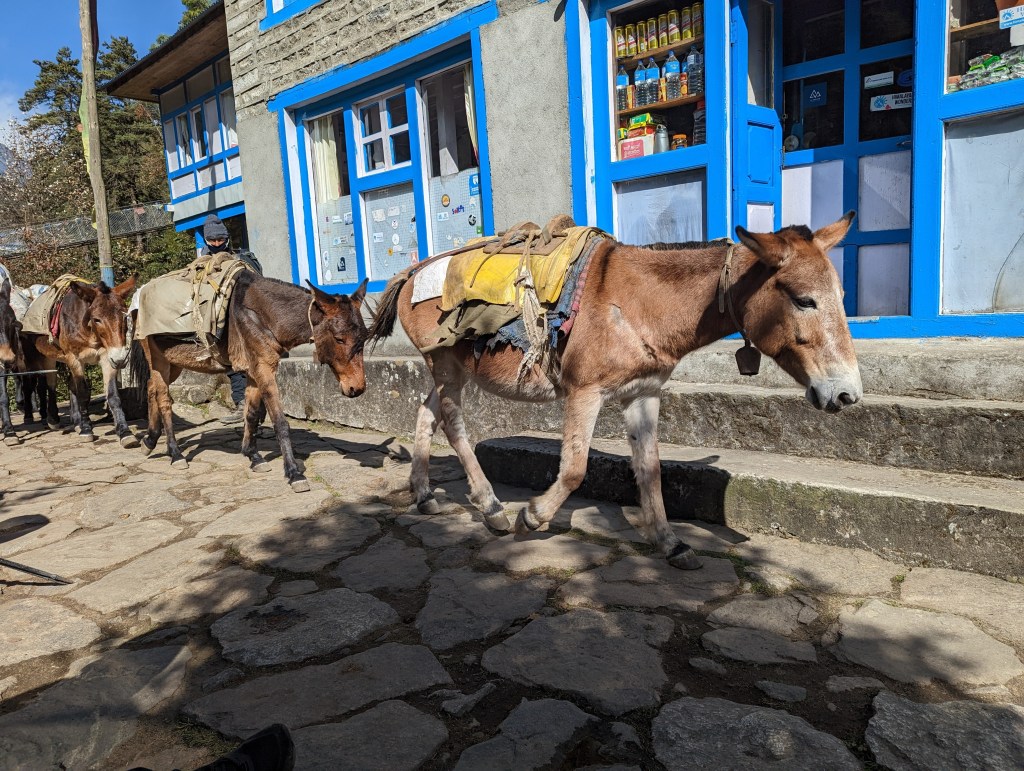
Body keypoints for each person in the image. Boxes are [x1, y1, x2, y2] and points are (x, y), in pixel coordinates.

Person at [199, 214, 262, 425]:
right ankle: (242, 405)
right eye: (212, 241)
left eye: (221, 240)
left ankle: (257, 408)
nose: (217, 244)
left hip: (248, 319)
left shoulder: (244, 259)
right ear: (206, 241)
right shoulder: (202, 264)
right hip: (222, 323)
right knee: (234, 364)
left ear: (227, 239)